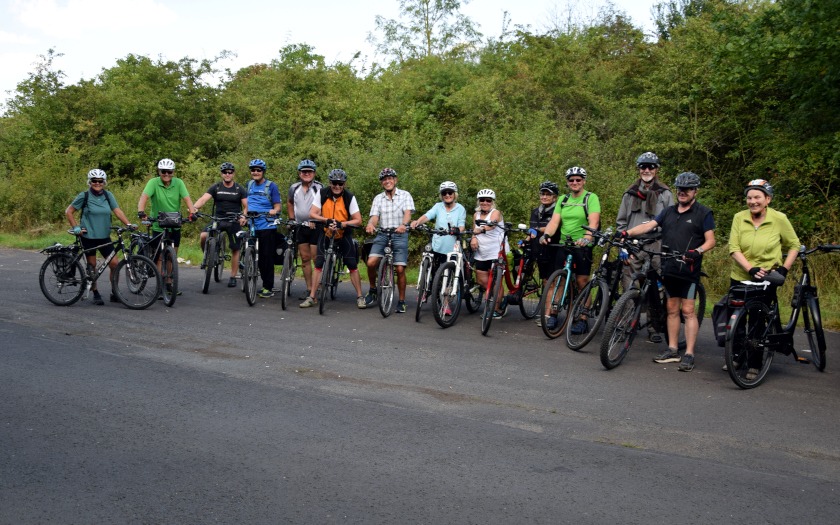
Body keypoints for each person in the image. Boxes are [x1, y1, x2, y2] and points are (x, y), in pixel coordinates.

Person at [618, 171, 716, 372]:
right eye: (679, 189)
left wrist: (697, 251)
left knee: (688, 311)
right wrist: (626, 232)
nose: (682, 192)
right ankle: (672, 350)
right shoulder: (669, 211)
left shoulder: (703, 213)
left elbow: (711, 241)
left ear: (695, 191)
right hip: (669, 266)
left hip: (688, 268)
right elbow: (648, 226)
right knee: (671, 309)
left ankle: (689, 353)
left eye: (687, 189)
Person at [728, 178, 799, 379]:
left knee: (758, 322)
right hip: (741, 275)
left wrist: (784, 269)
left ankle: (755, 364)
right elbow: (734, 248)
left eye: (757, 197)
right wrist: (750, 268)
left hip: (766, 278)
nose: (753, 201)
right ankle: (736, 356)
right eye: (749, 198)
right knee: (737, 321)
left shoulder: (779, 218)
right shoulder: (739, 217)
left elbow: (794, 245)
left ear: (767, 199)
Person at [615, 152, 674, 342]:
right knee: (629, 285)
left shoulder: (665, 193)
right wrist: (622, 245)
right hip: (633, 244)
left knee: (656, 288)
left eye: (650, 167)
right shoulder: (629, 192)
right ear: (639, 169)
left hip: (657, 244)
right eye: (643, 167)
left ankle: (653, 327)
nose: (646, 170)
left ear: (656, 169)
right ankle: (624, 325)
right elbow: (621, 222)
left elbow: (671, 222)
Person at [540, 167, 602, 332]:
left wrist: (588, 237)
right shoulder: (563, 199)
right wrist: (546, 234)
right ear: (567, 182)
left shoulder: (591, 198)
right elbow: (554, 222)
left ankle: (583, 318)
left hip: (582, 245)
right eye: (571, 180)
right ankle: (553, 315)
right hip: (564, 243)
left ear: (584, 181)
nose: (575, 182)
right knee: (558, 280)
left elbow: (593, 221)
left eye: (578, 180)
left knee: (582, 282)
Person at [65, 169, 135, 305]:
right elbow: (69, 211)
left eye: (100, 181)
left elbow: (117, 210)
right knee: (92, 266)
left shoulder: (108, 195)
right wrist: (76, 228)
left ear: (104, 182)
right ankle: (95, 292)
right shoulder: (84, 196)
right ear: (90, 182)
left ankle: (115, 292)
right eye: (94, 181)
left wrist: (128, 224)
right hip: (88, 236)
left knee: (114, 264)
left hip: (104, 236)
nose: (97, 183)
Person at [301, 169, 365, 308]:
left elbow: (358, 220)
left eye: (340, 184)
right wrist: (326, 220)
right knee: (318, 264)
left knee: (352, 265)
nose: (337, 186)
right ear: (330, 183)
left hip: (343, 234)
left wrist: (344, 224)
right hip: (326, 232)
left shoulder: (349, 197)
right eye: (334, 183)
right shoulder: (323, 193)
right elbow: (312, 213)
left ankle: (360, 296)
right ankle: (312, 296)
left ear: (344, 184)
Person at [137, 158, 196, 293]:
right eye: (163, 171)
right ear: (159, 171)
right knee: (159, 256)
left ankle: (169, 282)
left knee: (172, 255)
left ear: (173, 172)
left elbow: (187, 199)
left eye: (169, 172)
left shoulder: (179, 183)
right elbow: (144, 198)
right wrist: (141, 211)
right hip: (159, 224)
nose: (166, 174)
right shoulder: (153, 183)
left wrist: (192, 213)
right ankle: (159, 285)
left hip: (174, 223)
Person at [364, 168, 415, 313]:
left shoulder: (405, 195)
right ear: (382, 183)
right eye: (384, 179)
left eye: (390, 178)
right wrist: (371, 224)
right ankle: (373, 290)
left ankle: (402, 301)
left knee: (399, 268)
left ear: (395, 180)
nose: (387, 181)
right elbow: (374, 216)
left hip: (399, 234)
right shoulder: (378, 198)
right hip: (383, 233)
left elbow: (407, 213)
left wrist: (403, 225)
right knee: (371, 262)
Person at [192, 162, 248, 287]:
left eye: (230, 172)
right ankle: (209, 256)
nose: (227, 174)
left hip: (234, 220)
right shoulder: (216, 187)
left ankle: (233, 276)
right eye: (225, 172)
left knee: (235, 248)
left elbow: (246, 206)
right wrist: (194, 208)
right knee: (203, 236)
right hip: (218, 219)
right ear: (221, 174)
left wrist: (244, 216)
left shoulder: (239, 189)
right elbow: (203, 199)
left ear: (233, 174)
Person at [244, 158, 282, 298]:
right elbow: (246, 205)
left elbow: (278, 205)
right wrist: (243, 216)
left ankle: (268, 286)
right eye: (253, 170)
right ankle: (248, 273)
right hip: (252, 223)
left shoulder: (271, 186)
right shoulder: (249, 185)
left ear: (263, 172)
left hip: (267, 224)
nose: (255, 172)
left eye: (258, 170)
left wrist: (274, 211)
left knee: (266, 256)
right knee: (251, 252)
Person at [287, 159, 323, 300]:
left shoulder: (319, 188)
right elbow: (290, 203)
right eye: (304, 171)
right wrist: (291, 219)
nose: (306, 173)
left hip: (315, 226)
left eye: (309, 171)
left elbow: (324, 205)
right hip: (300, 226)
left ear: (314, 173)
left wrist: (316, 219)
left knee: (315, 258)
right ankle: (309, 288)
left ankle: (317, 287)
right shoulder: (294, 188)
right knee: (305, 258)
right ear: (299, 173)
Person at [409, 180, 467, 266]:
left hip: (452, 249)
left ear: (455, 194)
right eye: (444, 193)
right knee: (434, 274)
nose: (447, 195)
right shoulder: (438, 206)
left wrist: (457, 230)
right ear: (442, 195)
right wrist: (417, 222)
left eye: (450, 192)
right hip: (437, 247)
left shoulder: (460, 208)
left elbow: (461, 226)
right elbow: (428, 215)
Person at [470, 188, 506, 318]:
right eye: (482, 200)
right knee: (481, 280)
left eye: (488, 200)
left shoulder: (495, 212)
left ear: (492, 202)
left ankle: (496, 309)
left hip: (496, 251)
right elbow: (474, 229)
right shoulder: (476, 215)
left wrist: (483, 229)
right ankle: (498, 299)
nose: (485, 202)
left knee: (497, 282)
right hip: (481, 252)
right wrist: (474, 237)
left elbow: (493, 224)